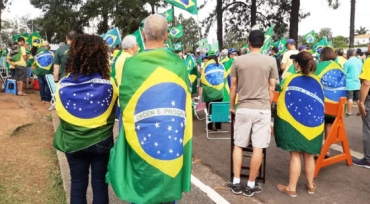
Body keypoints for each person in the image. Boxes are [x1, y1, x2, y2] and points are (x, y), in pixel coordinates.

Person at [106, 14, 192, 204]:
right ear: (167, 36)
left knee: (142, 185)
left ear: (143, 36)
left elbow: (126, 101)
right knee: (168, 185)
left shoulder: (132, 64)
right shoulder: (179, 64)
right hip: (170, 140)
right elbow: (184, 99)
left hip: (142, 137)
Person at [53, 34, 117, 204]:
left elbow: (61, 114)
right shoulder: (110, 84)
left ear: (74, 55)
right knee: (100, 185)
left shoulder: (62, 85)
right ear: (101, 57)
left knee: (78, 184)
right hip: (101, 142)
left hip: (73, 143)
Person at [228, 29, 278, 197]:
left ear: (248, 43)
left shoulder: (237, 61)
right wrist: (266, 104)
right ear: (263, 43)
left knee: (239, 145)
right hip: (262, 108)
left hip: (243, 107)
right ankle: (250, 184)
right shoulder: (271, 61)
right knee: (258, 147)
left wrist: (232, 106)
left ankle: (235, 182)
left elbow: (233, 86)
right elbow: (272, 87)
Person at [275, 51, 324, 197]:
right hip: (313, 125)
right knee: (309, 155)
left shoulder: (290, 79)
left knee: (295, 155)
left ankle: (291, 188)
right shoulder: (318, 81)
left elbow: (282, 98)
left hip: (294, 124)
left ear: (297, 64)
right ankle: (310, 186)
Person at [315, 47, 346, 157]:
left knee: (318, 123)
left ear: (322, 55)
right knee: (329, 124)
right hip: (338, 104)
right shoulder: (339, 66)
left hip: (323, 103)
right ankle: (327, 150)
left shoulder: (320, 66)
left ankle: (316, 149)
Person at [111, 35, 139, 122]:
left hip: (122, 98)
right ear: (132, 47)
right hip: (130, 101)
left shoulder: (119, 58)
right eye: (137, 45)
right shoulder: (131, 60)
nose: (138, 48)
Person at [201, 50, 225, 131]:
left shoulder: (206, 65)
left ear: (208, 57)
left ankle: (210, 127)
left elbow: (202, 79)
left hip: (210, 92)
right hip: (220, 92)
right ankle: (218, 127)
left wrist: (209, 87)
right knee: (218, 109)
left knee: (209, 110)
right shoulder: (221, 64)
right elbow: (223, 77)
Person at [356, 42, 370, 168]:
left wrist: (361, 102)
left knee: (368, 128)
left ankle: (368, 159)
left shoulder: (368, 61)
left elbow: (366, 83)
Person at [343, 49, 363, 116]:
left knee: (350, 98)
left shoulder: (347, 62)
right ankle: (360, 111)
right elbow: (361, 71)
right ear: (354, 54)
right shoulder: (359, 61)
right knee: (358, 99)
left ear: (348, 54)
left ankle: (349, 112)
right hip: (357, 82)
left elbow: (344, 73)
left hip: (349, 83)